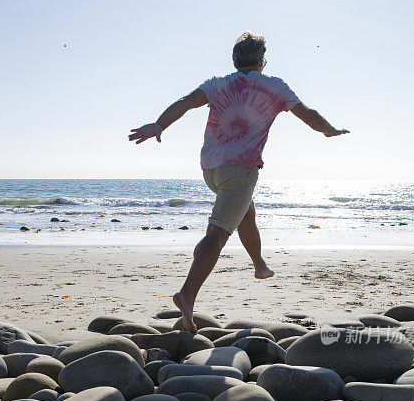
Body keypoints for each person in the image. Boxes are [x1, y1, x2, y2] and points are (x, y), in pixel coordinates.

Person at [129, 32, 349, 333]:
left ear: (235, 60)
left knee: (246, 212)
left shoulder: (217, 83)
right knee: (217, 234)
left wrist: (159, 124)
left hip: (211, 170)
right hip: (241, 169)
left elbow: (185, 102)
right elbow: (308, 115)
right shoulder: (274, 86)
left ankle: (259, 263)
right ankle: (187, 294)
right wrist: (329, 130)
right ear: (261, 60)